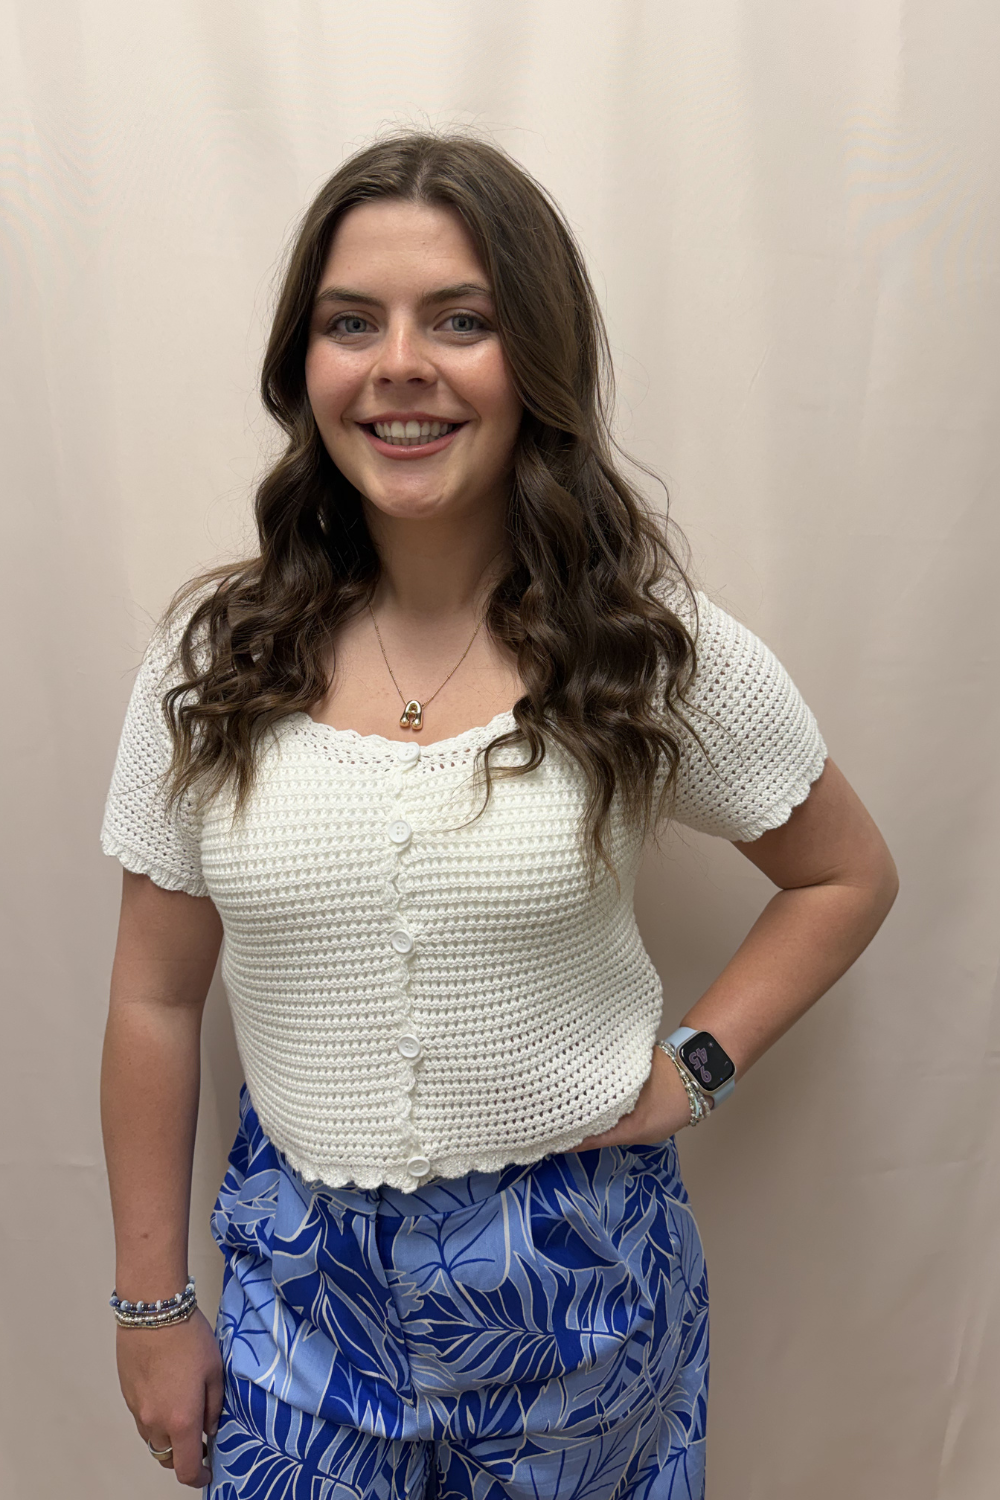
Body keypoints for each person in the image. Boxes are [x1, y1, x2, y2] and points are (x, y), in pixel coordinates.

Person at [99, 130, 898, 1498]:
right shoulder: (210, 663)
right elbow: (156, 1002)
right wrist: (150, 1309)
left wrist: (695, 1065)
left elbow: (844, 876)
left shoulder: (646, 649)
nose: (400, 363)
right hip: (299, 1305)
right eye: (354, 323)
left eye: (459, 320)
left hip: (586, 1304)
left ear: (532, 361)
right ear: (308, 366)